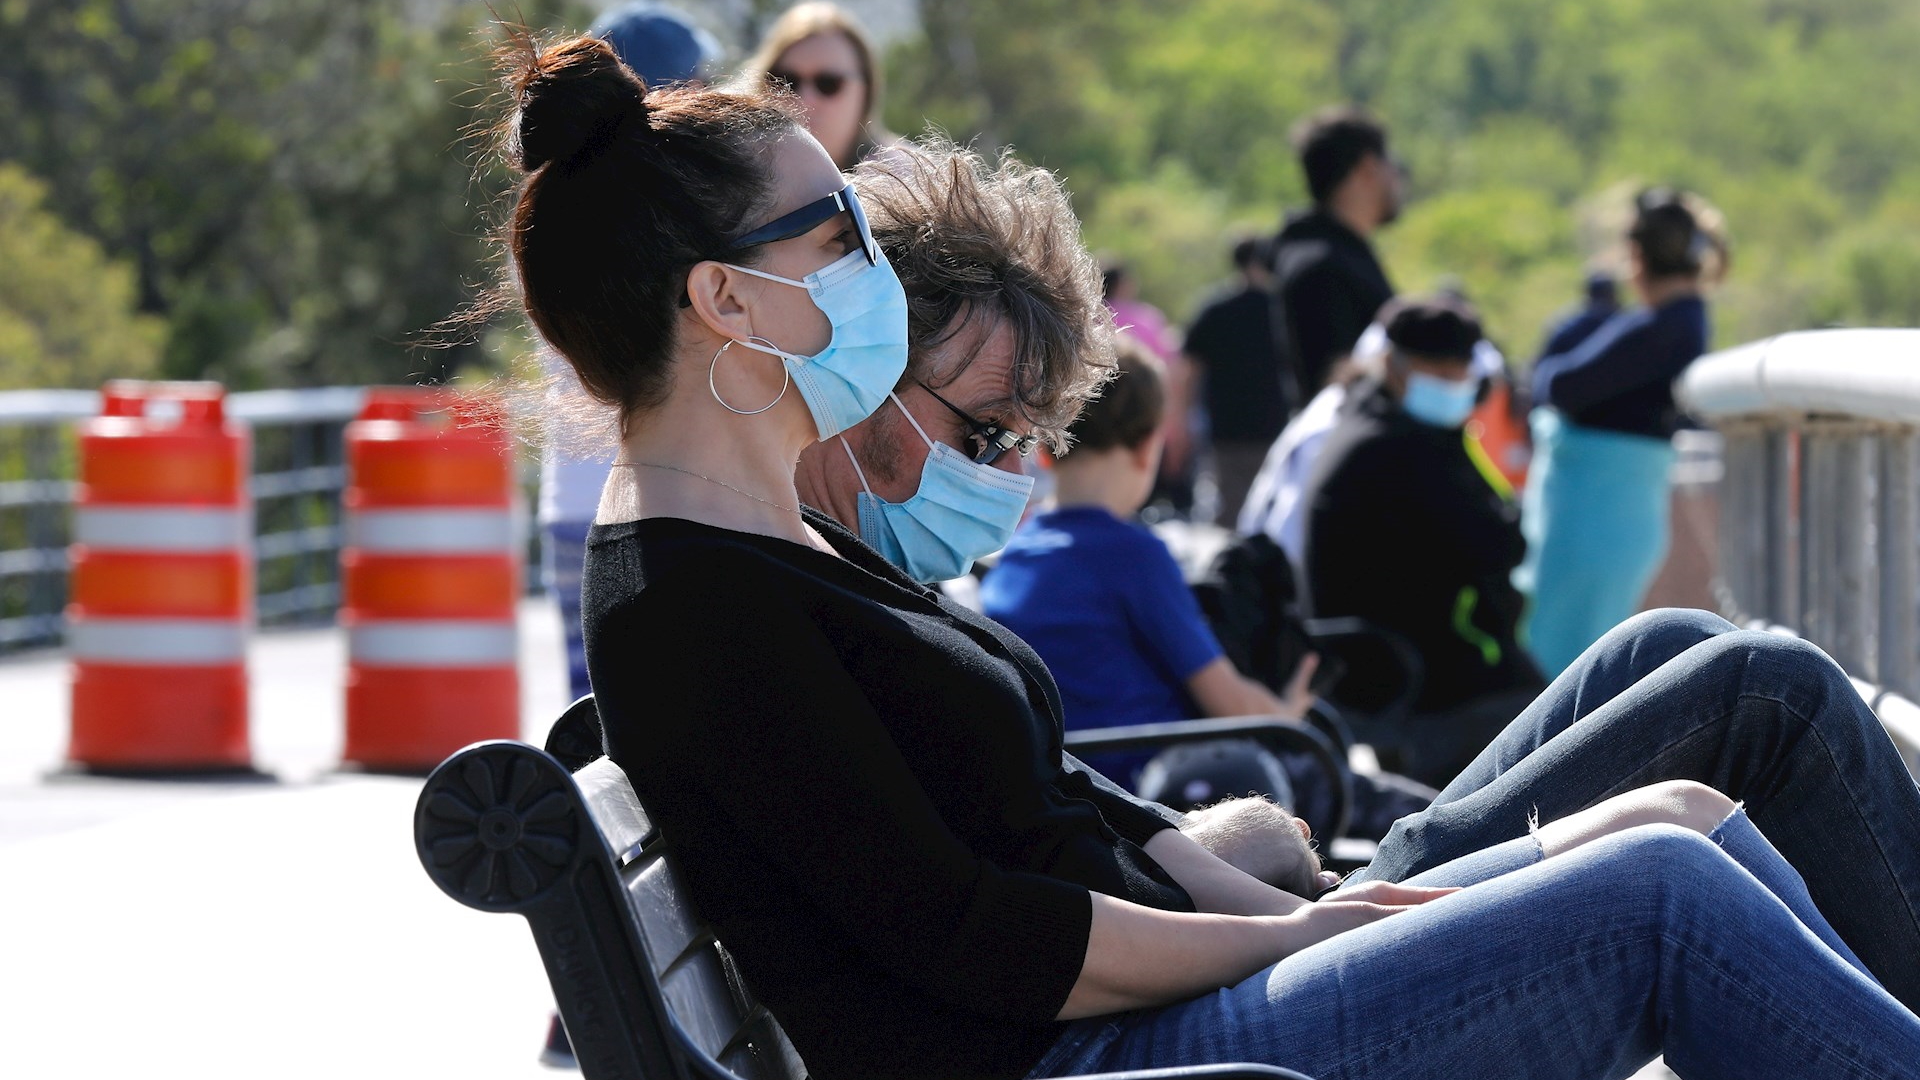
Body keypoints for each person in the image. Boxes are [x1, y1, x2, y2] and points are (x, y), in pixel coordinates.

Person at [496, 39, 1920, 1080]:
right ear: (729, 299)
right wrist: (1304, 938)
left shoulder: (760, 544)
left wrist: (1315, 913)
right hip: (1110, 1053)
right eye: (842, 233)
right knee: (1661, 887)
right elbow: (981, 935)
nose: (876, 261)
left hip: (1154, 1001)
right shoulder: (697, 604)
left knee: (1683, 802)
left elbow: (1057, 811)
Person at [978, 341, 1432, 848]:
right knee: (1419, 813)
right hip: (1171, 786)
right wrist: (1288, 710)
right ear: (1148, 448)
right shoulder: (1133, 555)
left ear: (1045, 446)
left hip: (1075, 782)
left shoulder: (1013, 556)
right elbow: (1232, 703)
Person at [538, 1, 719, 704]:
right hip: (660, 501)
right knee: (670, 723)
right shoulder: (675, 209)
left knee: (593, 723)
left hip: (572, 501)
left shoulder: (552, 195)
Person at [1300, 297, 1545, 787]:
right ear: (1393, 365)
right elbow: (1496, 544)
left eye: (1461, 375)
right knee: (1548, 724)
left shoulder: (1370, 421)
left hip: (1386, 657)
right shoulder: (1396, 447)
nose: (1454, 388)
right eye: (1441, 374)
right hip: (1406, 673)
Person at [1517, 189, 1727, 676]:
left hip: (1597, 516)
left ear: (1636, 257)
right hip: (1614, 513)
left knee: (1560, 667)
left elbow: (1559, 384)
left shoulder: (1668, 324)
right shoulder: (1679, 321)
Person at [1269, 106, 1401, 401]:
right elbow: (1335, 382)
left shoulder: (1339, 252)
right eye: (1391, 165)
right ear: (1368, 168)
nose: (1397, 178)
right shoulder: (1320, 266)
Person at [1182, 235, 1294, 525]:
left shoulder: (1214, 309)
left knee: (1231, 507)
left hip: (1226, 423)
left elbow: (1190, 368)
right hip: (1274, 421)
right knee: (1271, 508)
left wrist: (1185, 416)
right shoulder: (1282, 307)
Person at [740, 1, 898, 170]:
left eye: (828, 83)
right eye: (785, 81)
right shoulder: (731, 168)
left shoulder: (902, 177)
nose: (804, 100)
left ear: (866, 93)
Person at [1103, 260, 1197, 517]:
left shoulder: (1086, 319)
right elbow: (1171, 373)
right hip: (1143, 416)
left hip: (1094, 422)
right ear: (1124, 285)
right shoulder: (1146, 319)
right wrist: (1175, 426)